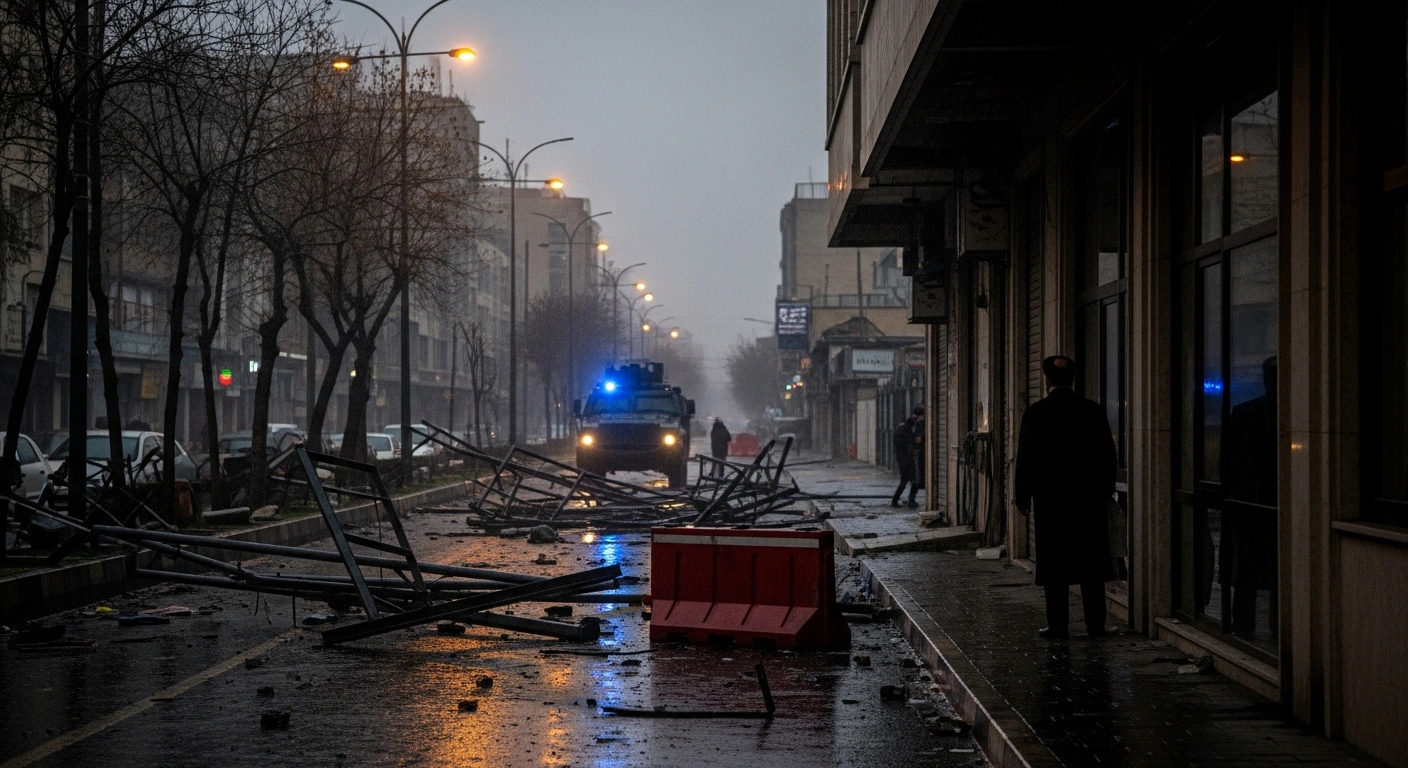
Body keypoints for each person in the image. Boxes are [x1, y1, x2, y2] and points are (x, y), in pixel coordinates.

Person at [1015, 355, 1117, 639]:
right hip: (1088, 502)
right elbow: (1108, 457)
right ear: (1073, 379)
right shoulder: (1092, 411)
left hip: (1051, 503)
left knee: (1054, 565)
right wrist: (1105, 491)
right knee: (1091, 566)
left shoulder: (1036, 413)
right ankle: (1095, 624)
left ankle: (1058, 624)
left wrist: (1022, 497)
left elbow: (1025, 459)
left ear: (1047, 380)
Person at [891, 414, 917, 507]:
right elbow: (909, 444)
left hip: (902, 459)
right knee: (913, 480)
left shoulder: (900, 429)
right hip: (906, 459)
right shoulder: (906, 431)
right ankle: (910, 500)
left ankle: (896, 500)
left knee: (905, 481)